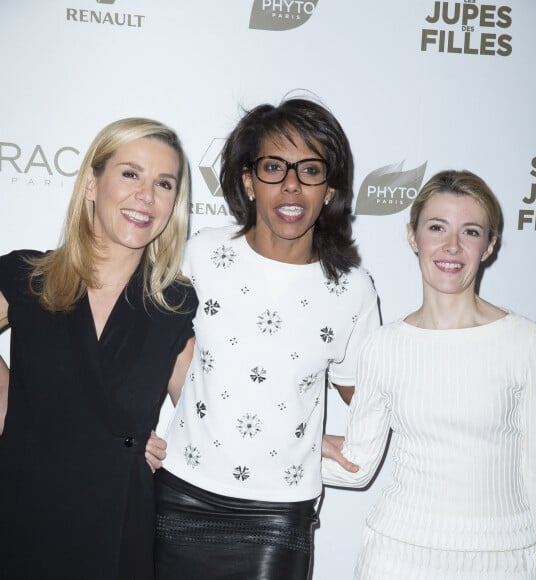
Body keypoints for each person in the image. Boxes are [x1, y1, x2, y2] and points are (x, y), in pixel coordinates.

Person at [154, 98, 381, 580]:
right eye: (274, 167)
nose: (292, 185)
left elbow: (368, 401)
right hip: (179, 493)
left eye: (311, 169)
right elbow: (156, 355)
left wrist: (305, 440)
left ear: (330, 188)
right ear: (247, 180)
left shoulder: (351, 289)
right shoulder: (202, 255)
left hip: (278, 514)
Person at [322, 169, 536, 579]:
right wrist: (295, 444)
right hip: (397, 557)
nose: (452, 246)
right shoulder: (383, 345)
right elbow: (358, 464)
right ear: (413, 236)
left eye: (470, 232)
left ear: (489, 246)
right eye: (437, 228)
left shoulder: (528, 342)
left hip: (503, 560)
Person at [0, 117, 198, 580]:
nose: (146, 196)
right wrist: (10, 397)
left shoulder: (175, 304)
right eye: (131, 174)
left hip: (116, 525)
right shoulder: (28, 278)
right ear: (92, 183)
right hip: (20, 512)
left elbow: (211, 413)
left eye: (164, 184)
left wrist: (305, 439)